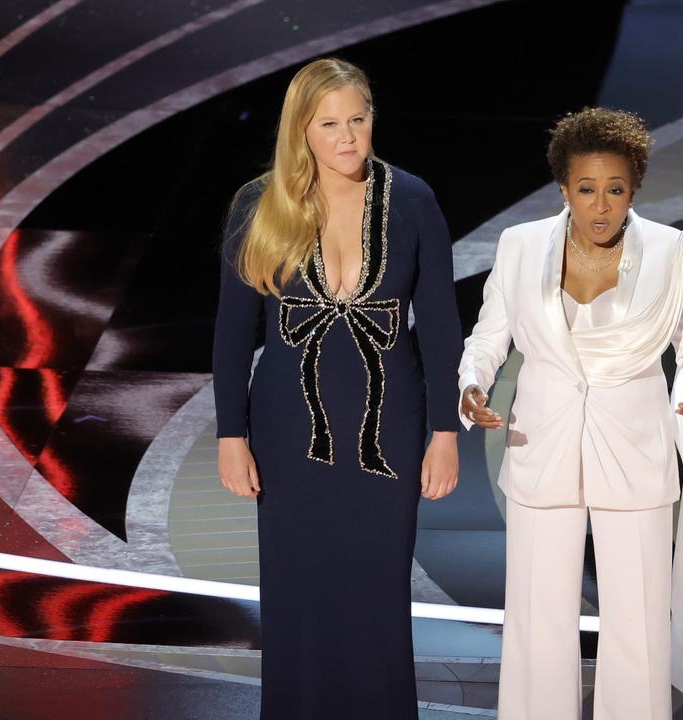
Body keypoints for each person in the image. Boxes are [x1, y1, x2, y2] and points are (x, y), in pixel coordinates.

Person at [458, 107, 683, 720]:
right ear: (564, 188)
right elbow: (487, 338)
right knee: (537, 619)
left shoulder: (675, 251)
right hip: (540, 443)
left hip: (634, 448)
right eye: (587, 190)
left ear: (634, 188)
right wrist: (472, 385)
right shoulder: (520, 245)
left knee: (637, 620)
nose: (601, 205)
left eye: (615, 190)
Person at [212, 57, 461, 719]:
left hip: (391, 426)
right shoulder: (257, 205)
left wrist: (444, 432)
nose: (349, 136)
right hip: (288, 430)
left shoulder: (412, 199)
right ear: (303, 131)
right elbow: (234, 332)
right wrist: (230, 435)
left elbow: (439, 324)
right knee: (298, 587)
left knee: (375, 587)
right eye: (331, 124)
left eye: (359, 119)